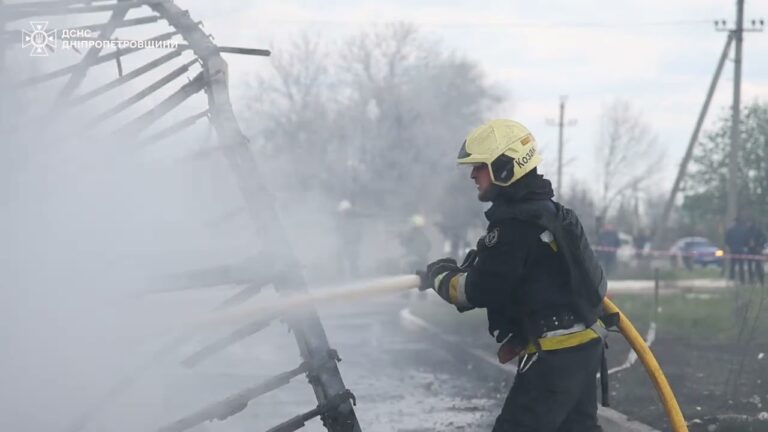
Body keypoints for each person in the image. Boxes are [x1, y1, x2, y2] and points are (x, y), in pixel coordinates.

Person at [419, 119, 606, 432]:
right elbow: (518, 276)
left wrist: (439, 274)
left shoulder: (514, 227)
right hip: (583, 345)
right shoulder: (552, 214)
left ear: (505, 168)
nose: (472, 175)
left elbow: (474, 291)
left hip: (554, 355)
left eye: (479, 167)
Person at [725, 217, 749, 284]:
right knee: (741, 265)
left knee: (732, 265)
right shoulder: (744, 230)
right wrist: (744, 246)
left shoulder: (730, 230)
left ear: (734, 222)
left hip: (733, 250)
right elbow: (746, 241)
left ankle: (731, 278)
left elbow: (727, 240)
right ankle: (742, 279)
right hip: (741, 250)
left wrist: (730, 246)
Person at [745, 218, 766, 286]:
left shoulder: (757, 230)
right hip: (750, 250)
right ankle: (751, 280)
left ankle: (761, 280)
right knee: (750, 266)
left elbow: (764, 238)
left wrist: (760, 246)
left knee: (759, 266)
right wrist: (747, 245)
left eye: (749, 222)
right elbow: (744, 240)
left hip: (757, 250)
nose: (748, 224)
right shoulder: (747, 231)